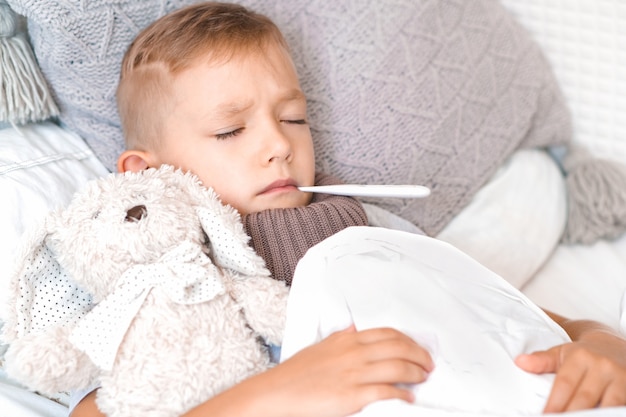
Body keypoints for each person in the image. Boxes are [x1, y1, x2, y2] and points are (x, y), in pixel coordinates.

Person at [72, 2, 626, 416]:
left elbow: (506, 313)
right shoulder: (155, 270)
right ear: (145, 172)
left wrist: (600, 344)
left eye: (293, 118)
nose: (279, 145)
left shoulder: (366, 226)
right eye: (230, 129)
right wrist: (277, 394)